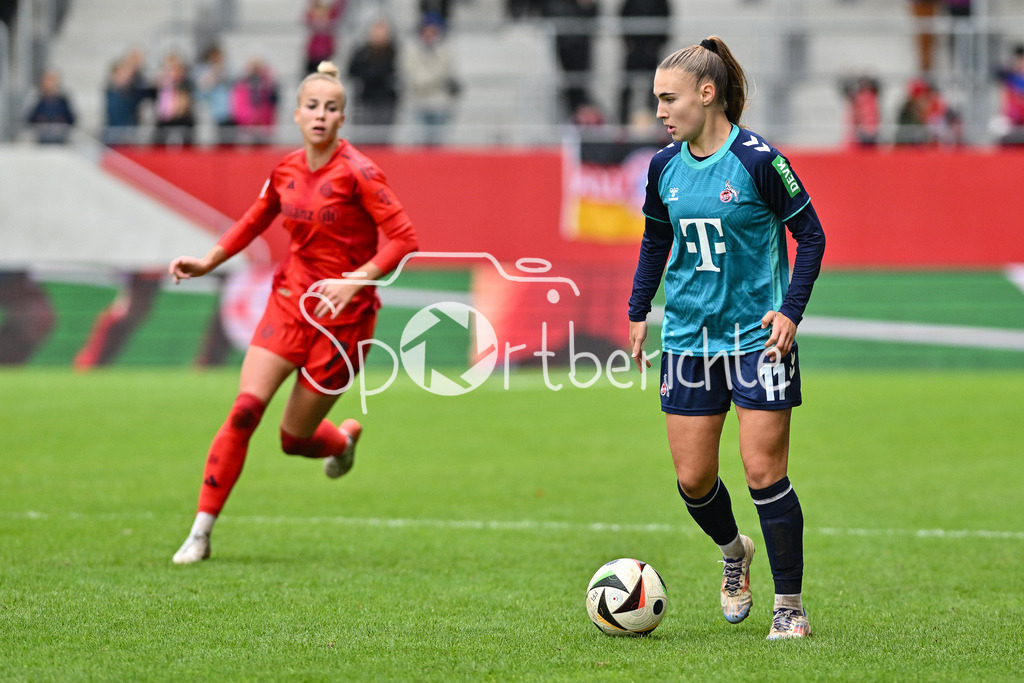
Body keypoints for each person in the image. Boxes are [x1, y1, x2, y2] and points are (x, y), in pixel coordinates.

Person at [168, 61, 419, 565]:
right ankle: (200, 533)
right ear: (297, 114)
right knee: (244, 410)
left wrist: (354, 280)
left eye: (331, 108)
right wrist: (208, 261)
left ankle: (340, 442)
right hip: (290, 302)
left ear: (342, 118)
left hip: (345, 322)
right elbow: (253, 220)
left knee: (292, 439)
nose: (321, 115)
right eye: (312, 106)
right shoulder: (284, 170)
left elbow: (405, 239)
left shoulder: (360, 173)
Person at [627, 36, 825, 640]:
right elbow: (656, 240)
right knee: (693, 479)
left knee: (764, 472)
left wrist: (790, 311)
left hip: (758, 340)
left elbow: (812, 236)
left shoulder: (760, 161)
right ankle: (734, 552)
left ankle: (789, 608)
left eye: (669, 98)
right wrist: (638, 309)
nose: (659, 111)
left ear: (707, 94)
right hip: (689, 339)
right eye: (658, 99)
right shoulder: (663, 167)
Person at [399, 12, 460, 145]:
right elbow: (414, 78)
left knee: (438, 146)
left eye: (433, 30)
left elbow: (446, 72)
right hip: (418, 103)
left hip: (439, 105)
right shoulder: (411, 51)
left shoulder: (445, 51)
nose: (429, 34)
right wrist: (434, 80)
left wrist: (428, 79)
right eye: (427, 30)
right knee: (418, 145)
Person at [543, 0, 599, 119]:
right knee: (571, 87)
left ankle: (580, 115)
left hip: (580, 48)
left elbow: (593, 18)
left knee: (579, 88)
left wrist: (587, 7)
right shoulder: (560, 6)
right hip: (567, 48)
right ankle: (575, 116)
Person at [618, 0, 670, 125]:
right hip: (634, 50)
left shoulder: (661, 2)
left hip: (651, 51)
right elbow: (622, 18)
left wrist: (656, 45)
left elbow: (666, 22)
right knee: (626, 86)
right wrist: (628, 42)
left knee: (655, 88)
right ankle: (623, 121)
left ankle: (656, 120)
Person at [347, 18, 399, 130]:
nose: (379, 36)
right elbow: (352, 72)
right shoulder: (361, 53)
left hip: (386, 100)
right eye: (376, 32)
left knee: (383, 133)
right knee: (363, 132)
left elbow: (393, 73)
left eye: (382, 33)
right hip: (365, 99)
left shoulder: (393, 53)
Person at [26, 68, 76, 144]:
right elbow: (30, 119)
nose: (49, 83)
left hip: (61, 140)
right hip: (41, 141)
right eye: (47, 80)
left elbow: (71, 119)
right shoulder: (37, 100)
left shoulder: (63, 101)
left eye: (52, 80)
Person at [304, 0, 346, 76]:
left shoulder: (332, 16)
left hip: (326, 54)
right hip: (313, 55)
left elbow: (340, 6)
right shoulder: (312, 18)